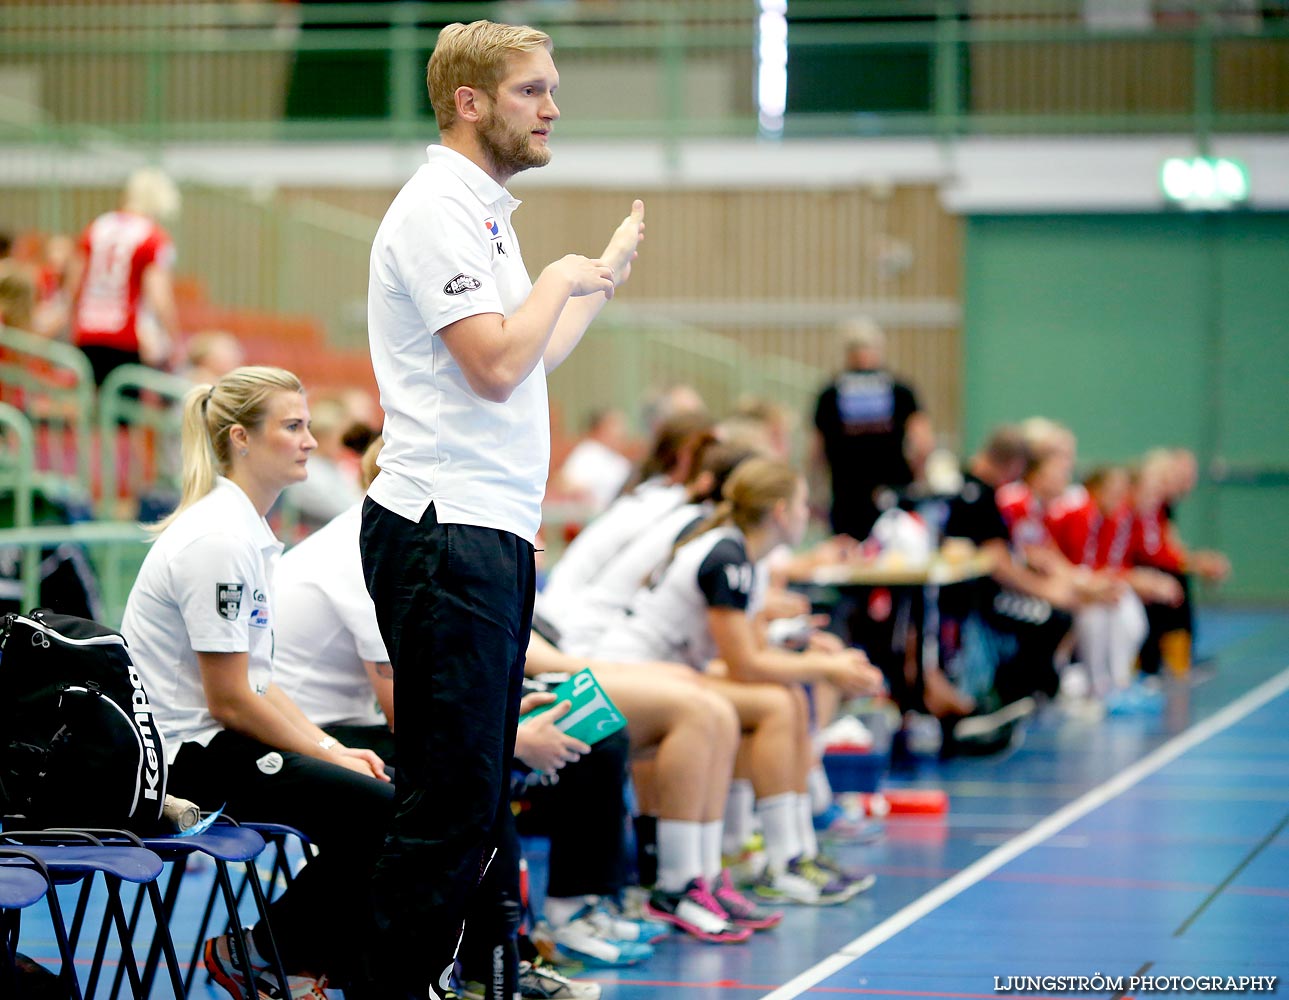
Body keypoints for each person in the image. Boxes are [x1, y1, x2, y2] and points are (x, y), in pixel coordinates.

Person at [358, 20, 646, 1000]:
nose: (553, 106)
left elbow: (526, 363)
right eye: (532, 90)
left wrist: (592, 284)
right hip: (444, 529)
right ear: (471, 103)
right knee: (451, 801)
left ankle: (431, 976)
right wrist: (564, 274)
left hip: (487, 528)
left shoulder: (481, 213)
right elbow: (490, 366)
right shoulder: (437, 207)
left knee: (472, 797)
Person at [119, 366, 395, 1000]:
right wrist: (327, 753)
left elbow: (261, 685)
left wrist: (331, 748)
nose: (309, 441)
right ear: (242, 439)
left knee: (388, 792)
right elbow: (232, 699)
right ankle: (265, 957)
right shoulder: (218, 539)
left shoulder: (248, 533)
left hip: (223, 744)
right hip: (187, 762)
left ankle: (304, 964)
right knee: (383, 814)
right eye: (292, 427)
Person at [594, 458, 884, 909]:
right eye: (805, 504)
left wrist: (806, 647)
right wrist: (826, 670)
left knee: (783, 696)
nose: (809, 514)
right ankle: (778, 860)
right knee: (775, 702)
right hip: (631, 671)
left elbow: (750, 653)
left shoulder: (745, 556)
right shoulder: (727, 556)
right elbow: (746, 665)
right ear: (782, 511)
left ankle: (790, 853)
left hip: (672, 670)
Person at [812, 317, 933, 542]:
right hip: (894, 493)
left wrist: (817, 495)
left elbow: (816, 453)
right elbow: (923, 443)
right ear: (878, 349)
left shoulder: (830, 394)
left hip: (847, 497)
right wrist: (918, 480)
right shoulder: (900, 390)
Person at [68, 168, 181, 384]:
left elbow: (75, 283)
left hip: (88, 329)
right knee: (121, 410)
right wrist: (174, 339)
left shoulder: (97, 227)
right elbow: (159, 297)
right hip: (127, 336)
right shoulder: (153, 236)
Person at [552, 406, 634, 514]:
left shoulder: (622, 462)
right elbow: (564, 483)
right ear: (600, 428)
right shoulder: (588, 452)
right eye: (614, 426)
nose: (620, 432)